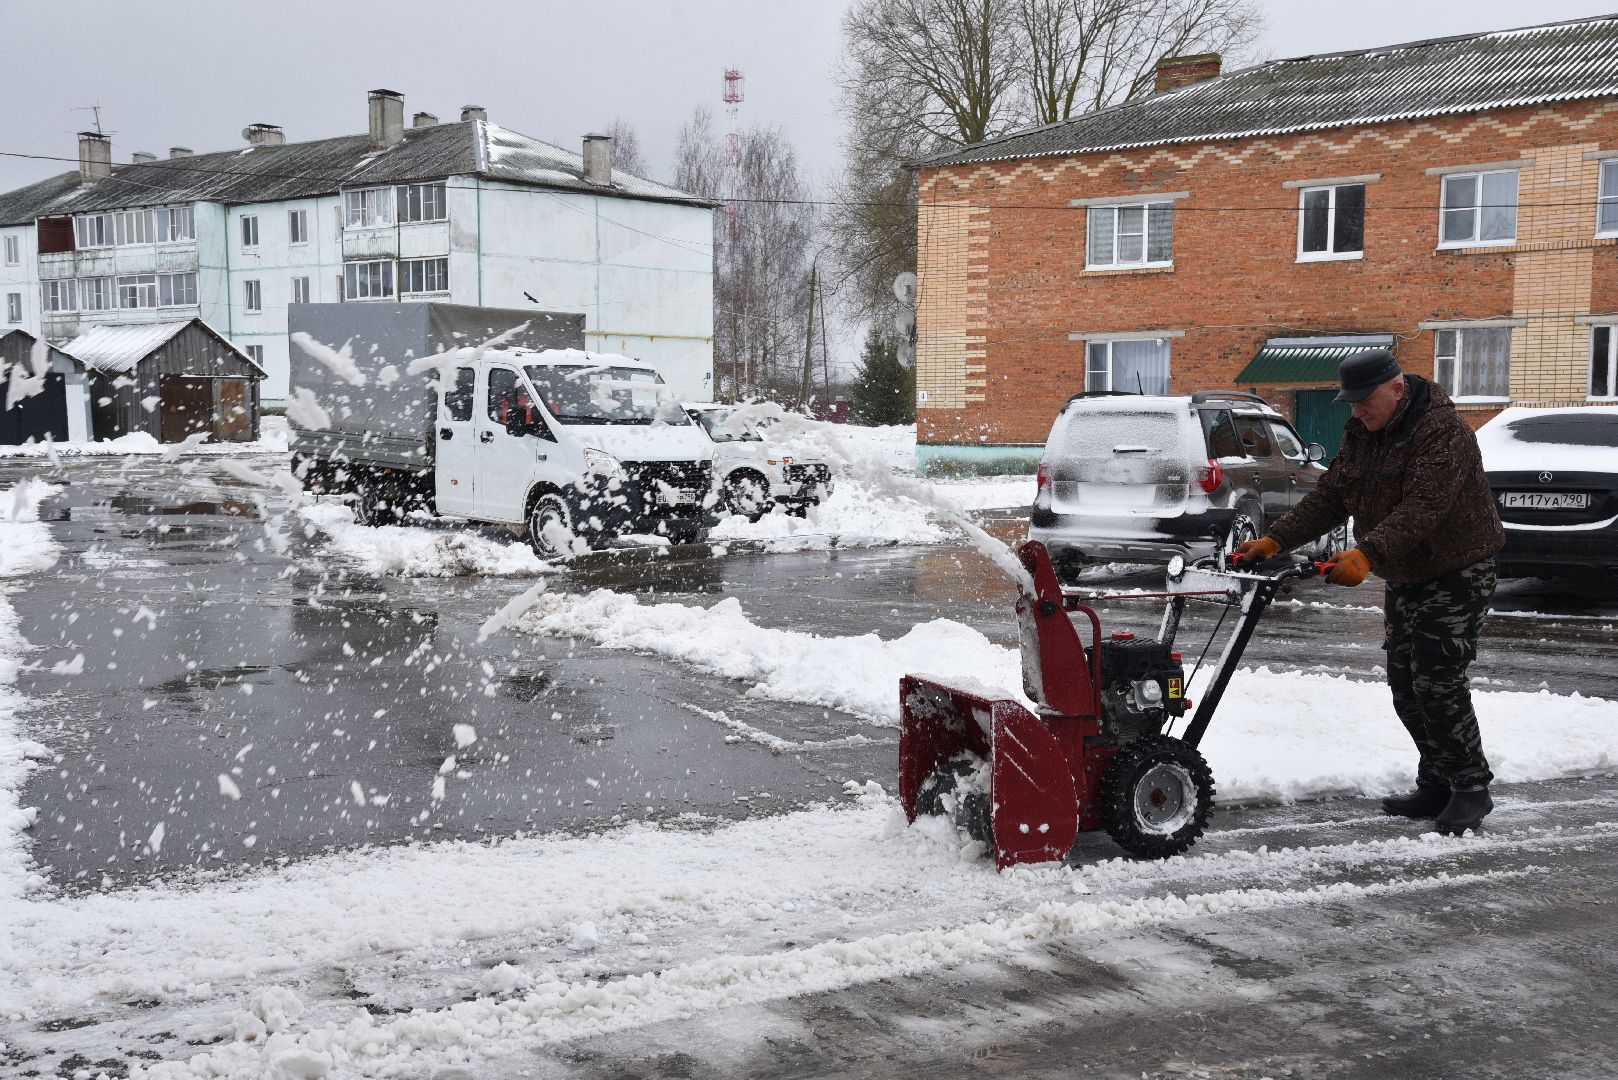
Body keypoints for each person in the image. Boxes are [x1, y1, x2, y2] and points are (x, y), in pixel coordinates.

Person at [1232, 349, 1504, 834]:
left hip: (1457, 570)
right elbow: (1332, 496)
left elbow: (1426, 508)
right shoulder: (1364, 433)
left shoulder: (1444, 433)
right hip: (1405, 572)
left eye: (1364, 401)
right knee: (1405, 686)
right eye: (1351, 403)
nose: (1356, 411)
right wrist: (1276, 540)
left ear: (1398, 389)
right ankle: (1437, 780)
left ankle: (1470, 785)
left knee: (1438, 681)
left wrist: (1367, 554)